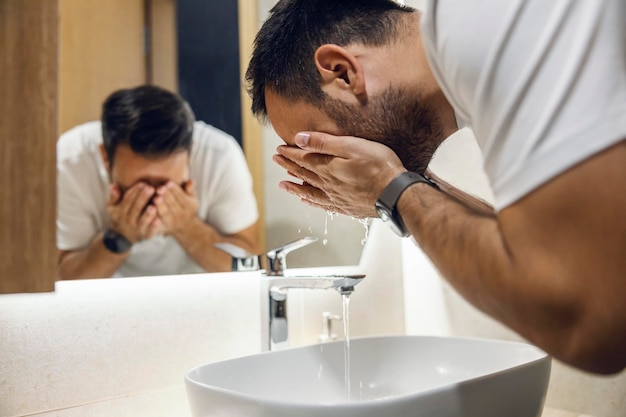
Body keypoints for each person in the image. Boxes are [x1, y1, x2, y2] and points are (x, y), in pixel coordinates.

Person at [245, 0, 626, 374]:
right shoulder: (471, 67)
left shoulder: (483, 24)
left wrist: (391, 190)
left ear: (342, 72)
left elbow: (589, 324)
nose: (328, 169)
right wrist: (395, 190)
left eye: (318, 146)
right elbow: (545, 258)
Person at [57, 85, 260, 279]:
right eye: (139, 187)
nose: (154, 200)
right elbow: (65, 277)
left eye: (166, 186)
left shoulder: (220, 157)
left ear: (190, 154)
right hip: (108, 300)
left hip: (202, 295)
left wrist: (187, 227)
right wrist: (118, 237)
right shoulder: (72, 159)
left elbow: (249, 267)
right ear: (105, 157)